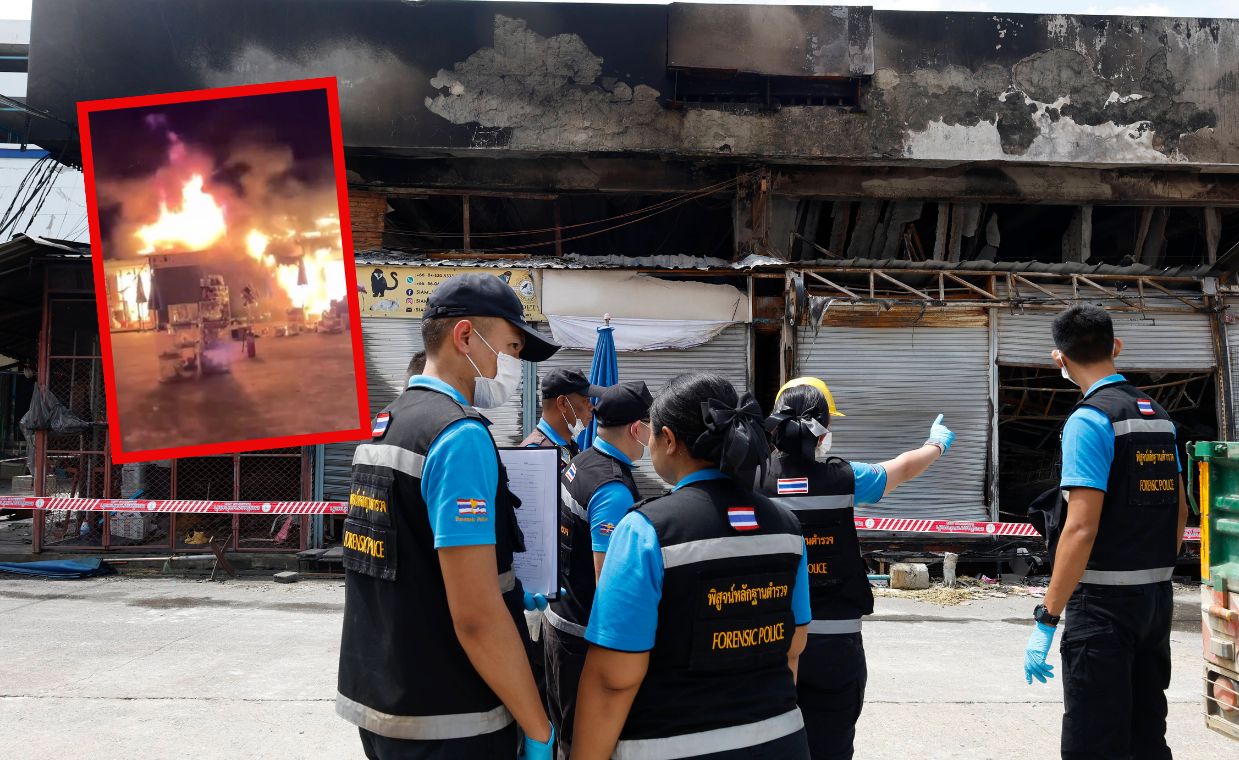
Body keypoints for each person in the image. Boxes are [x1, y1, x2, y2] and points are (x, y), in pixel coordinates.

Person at [337, 273, 561, 760]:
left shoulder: (388, 424)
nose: (515, 366)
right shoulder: (458, 438)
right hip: (450, 718)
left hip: (382, 701)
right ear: (465, 337)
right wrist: (538, 726)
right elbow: (478, 618)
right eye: (512, 348)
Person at [573, 372, 813, 760]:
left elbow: (613, 679)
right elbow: (793, 646)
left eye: (651, 433)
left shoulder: (644, 531)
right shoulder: (786, 526)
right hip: (780, 740)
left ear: (668, 440)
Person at [758, 377, 955, 760]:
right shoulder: (845, 478)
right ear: (823, 430)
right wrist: (936, 445)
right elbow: (902, 469)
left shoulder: (754, 480)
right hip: (837, 643)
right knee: (831, 746)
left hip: (771, 642)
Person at [1023, 304, 1187, 760]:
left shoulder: (1089, 420)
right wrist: (1151, 569)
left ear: (1060, 359)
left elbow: (1080, 528)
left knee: (1094, 741)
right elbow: (1180, 509)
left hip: (1101, 609)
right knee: (1145, 732)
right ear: (1116, 347)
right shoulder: (1158, 415)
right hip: (1155, 601)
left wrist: (1048, 616)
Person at [543, 380, 652, 759]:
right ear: (637, 429)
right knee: (586, 745)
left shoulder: (580, 462)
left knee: (566, 738)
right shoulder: (612, 488)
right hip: (582, 642)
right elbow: (611, 584)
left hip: (558, 622)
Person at [522, 368, 601, 468]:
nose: (592, 407)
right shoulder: (534, 453)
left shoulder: (567, 444)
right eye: (586, 400)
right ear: (562, 403)